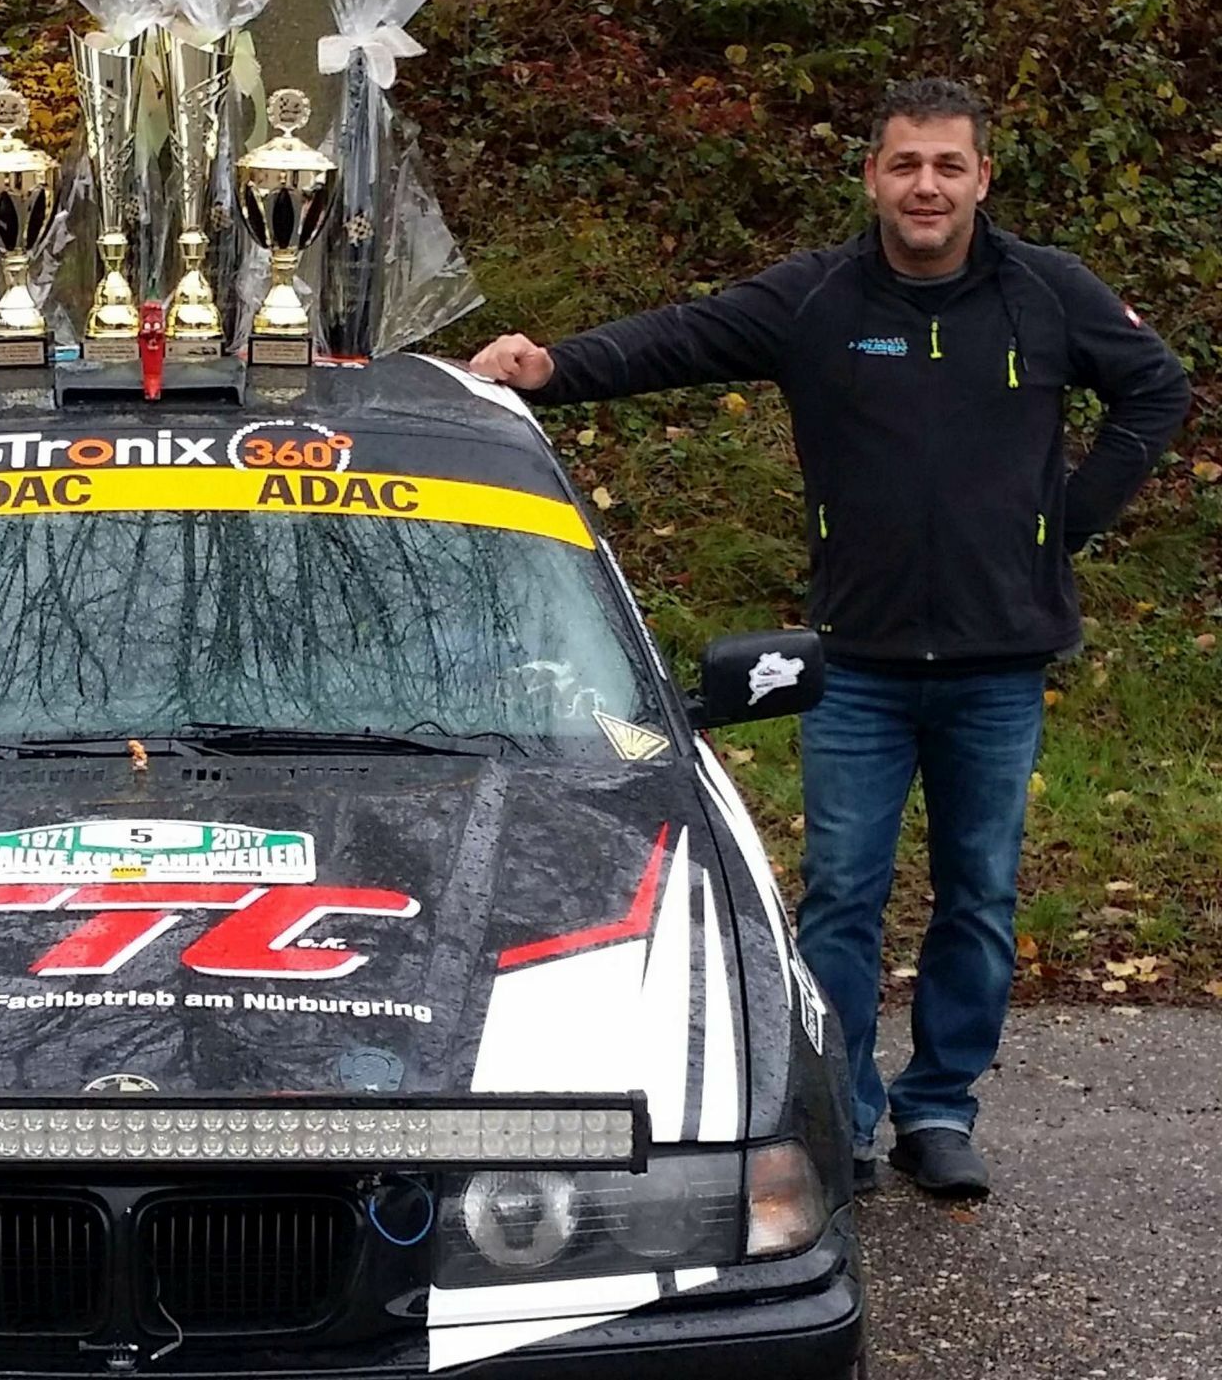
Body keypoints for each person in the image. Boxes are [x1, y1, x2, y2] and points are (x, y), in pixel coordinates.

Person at [470, 78, 1189, 1199]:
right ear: (870, 176)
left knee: (979, 897)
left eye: (947, 165)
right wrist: (551, 367)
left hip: (999, 664)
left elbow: (1155, 387)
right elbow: (682, 336)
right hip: (854, 666)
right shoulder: (817, 296)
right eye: (905, 164)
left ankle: (939, 1110)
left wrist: (1064, 524)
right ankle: (841, 1115)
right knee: (841, 898)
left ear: (982, 178)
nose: (925, 186)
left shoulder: (1048, 292)